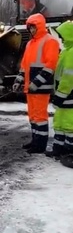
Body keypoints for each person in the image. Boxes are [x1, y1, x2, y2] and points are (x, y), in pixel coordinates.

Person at [13, 13, 60, 154]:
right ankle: (35, 141)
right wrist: (18, 80)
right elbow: (25, 65)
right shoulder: (29, 44)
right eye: (29, 28)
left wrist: (37, 82)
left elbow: (50, 65)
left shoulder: (50, 41)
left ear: (39, 26)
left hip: (41, 87)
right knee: (33, 116)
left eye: (33, 27)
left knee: (40, 117)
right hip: (30, 87)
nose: (31, 30)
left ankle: (40, 145)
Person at [46, 20, 73, 158]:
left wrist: (60, 95)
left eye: (62, 35)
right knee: (59, 123)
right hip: (63, 95)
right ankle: (59, 148)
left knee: (69, 125)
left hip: (68, 95)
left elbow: (68, 78)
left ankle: (69, 150)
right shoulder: (66, 51)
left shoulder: (71, 53)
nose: (61, 38)